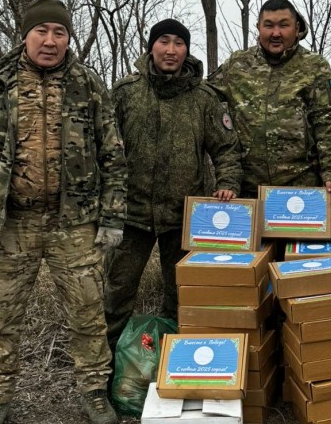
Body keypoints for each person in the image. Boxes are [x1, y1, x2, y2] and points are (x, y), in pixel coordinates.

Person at [0, 0, 127, 424]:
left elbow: (113, 154)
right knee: (2, 317)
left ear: (70, 38)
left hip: (75, 221)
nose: (50, 42)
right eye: (42, 32)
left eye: (60, 33)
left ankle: (94, 392)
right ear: (25, 35)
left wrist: (112, 217)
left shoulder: (87, 83)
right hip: (11, 224)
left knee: (88, 314)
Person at [103, 18, 242, 350]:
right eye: (163, 41)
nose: (170, 50)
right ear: (151, 46)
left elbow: (227, 147)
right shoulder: (126, 93)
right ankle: (105, 371)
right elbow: (100, 146)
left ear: (186, 50)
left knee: (183, 296)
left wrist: (228, 182)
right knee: (115, 294)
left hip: (183, 218)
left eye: (178, 43)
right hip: (130, 216)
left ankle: (175, 364)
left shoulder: (204, 97)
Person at [208, 0, 331, 205]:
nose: (275, 33)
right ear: (258, 27)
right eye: (268, 26)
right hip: (246, 189)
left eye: (284, 25)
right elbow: (204, 95)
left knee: (296, 239)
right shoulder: (237, 65)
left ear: (296, 28)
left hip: (301, 187)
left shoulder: (315, 67)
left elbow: (327, 123)